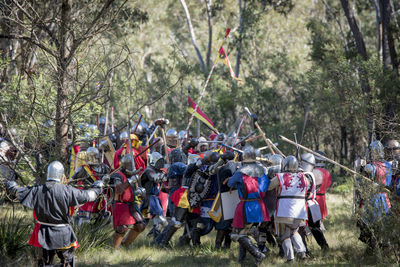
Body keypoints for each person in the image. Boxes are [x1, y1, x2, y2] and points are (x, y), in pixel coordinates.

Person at [4, 161, 102, 267]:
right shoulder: (68, 191)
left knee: (44, 263)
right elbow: (89, 195)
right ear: (61, 175)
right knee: (66, 263)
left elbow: (18, 192)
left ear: (48, 173)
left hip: (43, 233)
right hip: (63, 234)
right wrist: (97, 187)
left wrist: (11, 186)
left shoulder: (37, 190)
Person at [228, 146, 269, 265]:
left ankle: (258, 254)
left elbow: (230, 183)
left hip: (247, 206)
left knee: (237, 234)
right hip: (260, 205)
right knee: (244, 232)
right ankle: (242, 259)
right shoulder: (262, 171)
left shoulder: (240, 172)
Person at [267, 155, 308, 263]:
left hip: (284, 210)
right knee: (294, 231)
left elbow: (268, 186)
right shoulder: (303, 177)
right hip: (300, 210)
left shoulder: (281, 176)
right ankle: (302, 252)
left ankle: (290, 258)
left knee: (284, 235)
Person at [109, 154, 147, 248]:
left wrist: (141, 192)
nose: (131, 168)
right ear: (124, 165)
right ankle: (114, 248)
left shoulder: (133, 175)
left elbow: (137, 189)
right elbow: (119, 190)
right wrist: (130, 181)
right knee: (122, 228)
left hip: (131, 204)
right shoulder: (117, 176)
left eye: (132, 165)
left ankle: (125, 245)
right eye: (129, 165)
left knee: (140, 225)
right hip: (120, 204)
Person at [71, 147, 110, 225]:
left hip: (100, 197)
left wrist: (106, 181)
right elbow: (72, 182)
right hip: (87, 197)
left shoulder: (105, 167)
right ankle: (81, 233)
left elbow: (109, 182)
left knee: (103, 219)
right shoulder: (83, 169)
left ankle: (96, 233)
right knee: (84, 220)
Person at [140, 152, 168, 238]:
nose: (160, 164)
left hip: (154, 198)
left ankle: (154, 236)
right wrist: (164, 173)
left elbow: (162, 182)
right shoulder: (149, 170)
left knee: (157, 220)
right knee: (159, 220)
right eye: (159, 162)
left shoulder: (157, 171)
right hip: (149, 199)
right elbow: (155, 178)